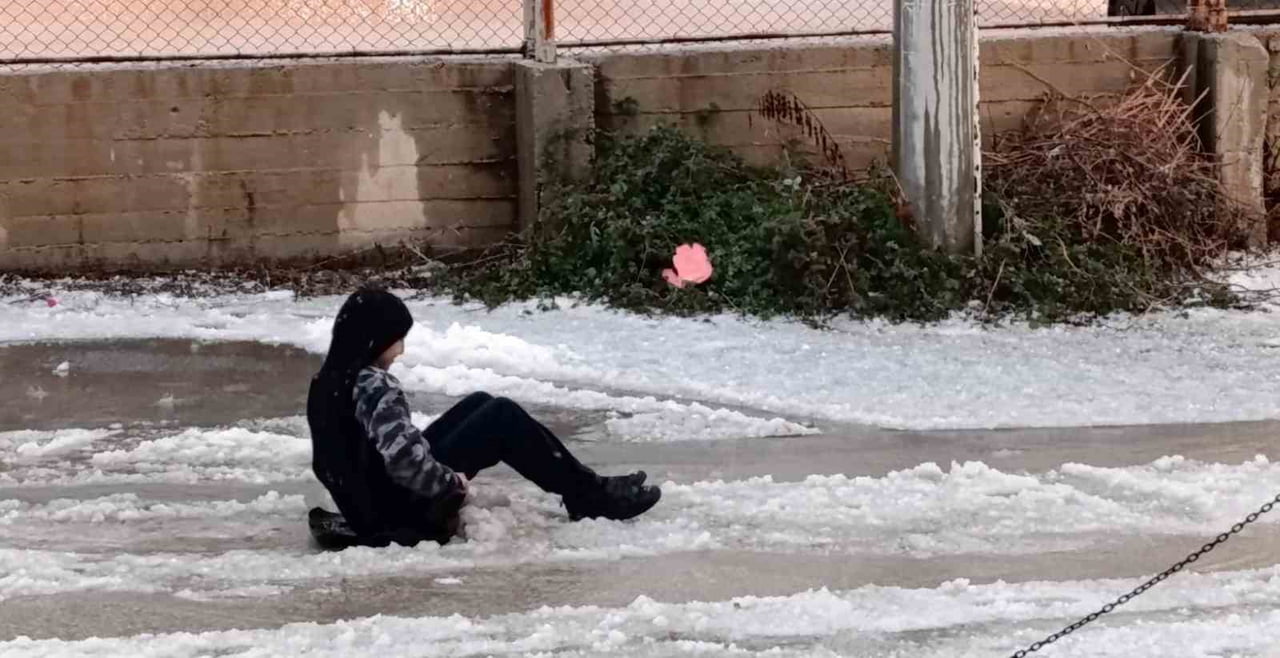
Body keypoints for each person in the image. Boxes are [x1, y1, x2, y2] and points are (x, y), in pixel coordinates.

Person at [306, 287, 661, 548]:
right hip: (401, 511)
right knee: (501, 416)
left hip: (373, 504)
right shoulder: (372, 385)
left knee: (482, 402)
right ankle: (588, 495)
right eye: (395, 340)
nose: (401, 350)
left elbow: (329, 463)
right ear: (372, 340)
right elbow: (403, 463)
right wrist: (450, 483)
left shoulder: (329, 382)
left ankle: (583, 489)